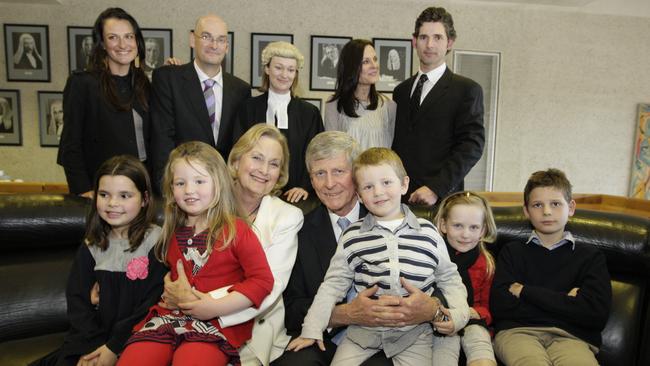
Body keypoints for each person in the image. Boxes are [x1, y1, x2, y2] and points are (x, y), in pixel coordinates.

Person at [278, 132, 450, 366]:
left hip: (392, 337)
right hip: (323, 337)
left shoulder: (397, 218)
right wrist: (345, 314)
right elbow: (291, 307)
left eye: (338, 171)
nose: (329, 183)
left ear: (357, 175)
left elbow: (445, 282)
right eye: (320, 173)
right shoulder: (299, 229)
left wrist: (431, 308)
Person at [118, 141, 274, 366]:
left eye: (199, 181)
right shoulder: (172, 232)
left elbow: (262, 281)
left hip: (214, 324)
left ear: (218, 183)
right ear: (171, 190)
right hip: (168, 318)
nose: (189, 190)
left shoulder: (236, 230)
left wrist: (214, 307)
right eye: (180, 183)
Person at [160, 124, 304, 366]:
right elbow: (178, 257)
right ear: (236, 161)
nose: (264, 170)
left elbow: (270, 286)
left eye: (274, 164)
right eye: (257, 158)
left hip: (252, 326)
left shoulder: (287, 217)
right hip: (183, 316)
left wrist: (201, 302)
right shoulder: (201, 197)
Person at [30, 155, 166, 366]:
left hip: (135, 341)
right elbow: (78, 302)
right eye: (104, 194)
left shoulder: (157, 242)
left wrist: (113, 348)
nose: (113, 203)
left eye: (124, 195)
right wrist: (93, 348)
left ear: (145, 199)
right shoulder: (92, 244)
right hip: (90, 341)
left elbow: (151, 305)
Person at [490, 169, 612, 366]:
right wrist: (566, 302)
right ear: (526, 211)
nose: (546, 211)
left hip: (572, 337)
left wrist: (525, 292)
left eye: (555, 204)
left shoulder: (590, 257)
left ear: (571, 207)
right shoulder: (512, 252)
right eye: (537, 205)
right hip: (517, 333)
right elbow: (500, 307)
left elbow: (595, 315)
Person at [392, 6, 485, 206]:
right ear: (414, 41)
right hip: (399, 199)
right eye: (424, 37)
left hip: (442, 201)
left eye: (438, 37)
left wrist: (436, 188)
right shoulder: (400, 91)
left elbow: (472, 146)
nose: (430, 44)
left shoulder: (467, 89)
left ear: (449, 42)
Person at [150, 14, 251, 192]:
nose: (214, 45)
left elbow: (239, 147)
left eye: (221, 40)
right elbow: (161, 139)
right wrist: (166, 188)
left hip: (223, 189)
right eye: (206, 37)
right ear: (192, 39)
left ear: (227, 47)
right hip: (182, 187)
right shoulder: (168, 79)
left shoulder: (241, 90)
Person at [57, 7, 151, 198]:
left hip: (141, 189)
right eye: (113, 37)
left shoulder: (144, 84)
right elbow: (70, 145)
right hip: (102, 191)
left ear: (137, 41)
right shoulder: (82, 84)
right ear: (101, 44)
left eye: (128, 36)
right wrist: (83, 190)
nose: (123, 44)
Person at [236, 41, 324, 203]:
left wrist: (305, 186)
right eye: (278, 67)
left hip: (295, 197)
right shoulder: (247, 108)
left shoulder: (309, 113)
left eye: (291, 70)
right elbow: (238, 152)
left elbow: (317, 155)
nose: (284, 75)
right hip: (252, 194)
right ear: (267, 69)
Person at [434, 191, 498, 366]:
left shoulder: (486, 263)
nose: (465, 235)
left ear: (483, 230)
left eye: (474, 227)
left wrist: (476, 313)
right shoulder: (433, 257)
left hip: (473, 320)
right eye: (458, 226)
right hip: (442, 321)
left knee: (480, 347)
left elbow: (488, 308)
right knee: (443, 354)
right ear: (443, 225)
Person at [324, 39, 396, 150]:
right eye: (366, 62)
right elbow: (331, 153)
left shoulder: (389, 106)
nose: (374, 66)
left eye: (375, 59)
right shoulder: (334, 105)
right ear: (352, 67)